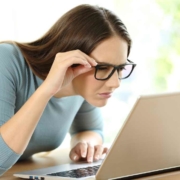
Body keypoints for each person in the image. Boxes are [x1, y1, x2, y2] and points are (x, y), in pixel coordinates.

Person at [0, 4, 136, 176]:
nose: (115, 83)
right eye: (102, 68)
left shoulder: (83, 88)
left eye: (120, 68)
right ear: (71, 59)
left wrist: (84, 144)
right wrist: (48, 89)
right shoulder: (6, 61)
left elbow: (91, 130)